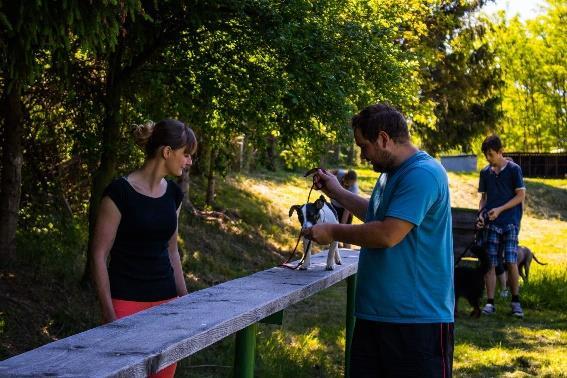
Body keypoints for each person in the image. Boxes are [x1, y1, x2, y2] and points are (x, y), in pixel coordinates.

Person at [303, 103, 454, 377]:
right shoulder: (390, 175)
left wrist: (334, 231)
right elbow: (376, 215)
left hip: (416, 323)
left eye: (364, 146)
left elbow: (387, 233)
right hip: (375, 317)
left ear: (383, 139)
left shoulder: (423, 174)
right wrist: (336, 192)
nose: (362, 156)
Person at [91, 119, 197, 378]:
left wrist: (185, 300)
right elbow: (98, 253)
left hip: (167, 306)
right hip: (125, 304)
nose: (189, 162)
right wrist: (108, 312)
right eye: (186, 154)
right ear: (167, 152)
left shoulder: (174, 194)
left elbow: (172, 251)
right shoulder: (119, 193)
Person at [477, 135, 525, 318]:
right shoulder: (485, 172)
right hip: (491, 224)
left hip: (510, 223)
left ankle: (516, 301)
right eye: (486, 156)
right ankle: (490, 303)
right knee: (490, 262)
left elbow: (520, 196)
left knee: (511, 261)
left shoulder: (514, 170)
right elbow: (483, 199)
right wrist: (481, 215)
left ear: (500, 152)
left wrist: (500, 209)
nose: (489, 159)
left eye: (491, 155)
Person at [330, 169, 359, 248]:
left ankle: (347, 252)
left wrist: (342, 226)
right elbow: (334, 172)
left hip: (346, 208)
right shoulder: (341, 174)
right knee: (334, 232)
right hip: (335, 205)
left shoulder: (354, 190)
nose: (348, 186)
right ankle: (335, 249)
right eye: (346, 184)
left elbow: (347, 210)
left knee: (346, 235)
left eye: (350, 185)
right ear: (345, 178)